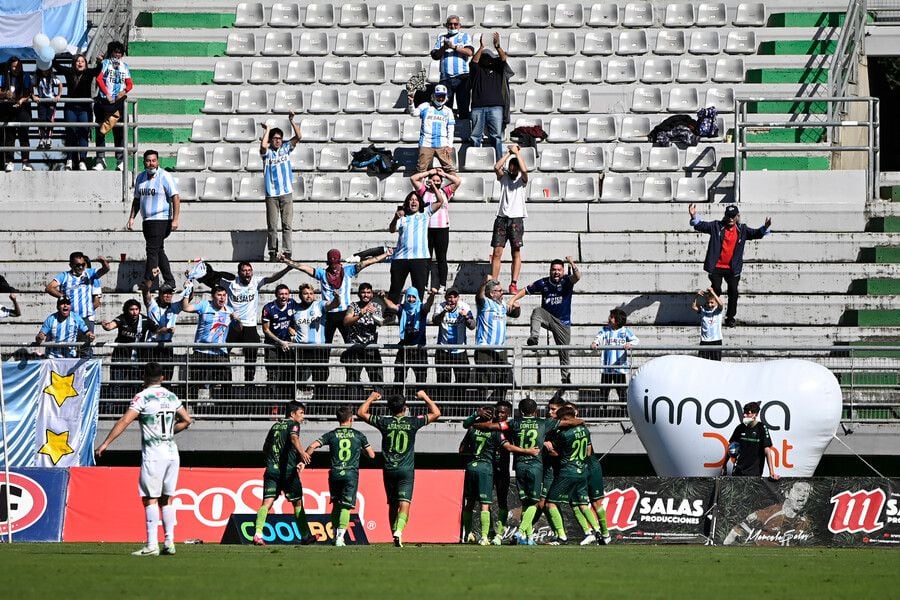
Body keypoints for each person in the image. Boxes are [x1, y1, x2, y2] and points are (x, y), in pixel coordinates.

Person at [95, 362, 193, 556]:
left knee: (150, 499)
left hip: (154, 454)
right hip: (172, 453)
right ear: (163, 378)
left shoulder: (142, 397)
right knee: (167, 499)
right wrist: (168, 432)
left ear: (144, 378)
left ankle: (151, 545)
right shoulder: (171, 396)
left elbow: (125, 420)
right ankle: (169, 543)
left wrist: (106, 443)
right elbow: (187, 420)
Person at [356, 390, 441, 547]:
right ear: (405, 407)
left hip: (389, 469)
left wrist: (371, 398)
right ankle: (399, 531)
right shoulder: (413, 422)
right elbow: (436, 413)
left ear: (389, 409)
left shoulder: (384, 422)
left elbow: (361, 412)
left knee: (393, 504)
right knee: (405, 503)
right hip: (406, 470)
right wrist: (424, 397)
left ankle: (393, 533)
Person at [200, 261, 291, 382]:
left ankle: (249, 383)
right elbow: (211, 281)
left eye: (249, 270)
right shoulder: (231, 283)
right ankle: (225, 383)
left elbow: (272, 278)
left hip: (250, 325)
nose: (247, 273)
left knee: (251, 355)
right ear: (239, 272)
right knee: (222, 352)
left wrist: (287, 268)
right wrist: (197, 276)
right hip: (232, 324)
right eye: (244, 270)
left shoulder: (255, 281)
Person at [459, 405, 537, 545]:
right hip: (488, 467)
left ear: (508, 414)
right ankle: (486, 532)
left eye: (503, 412)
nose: (500, 414)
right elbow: (467, 428)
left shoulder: (508, 426)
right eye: (498, 412)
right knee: (480, 502)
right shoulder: (487, 424)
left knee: (501, 501)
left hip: (501, 468)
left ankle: (499, 534)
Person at [281, 248, 391, 344]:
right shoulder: (322, 273)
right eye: (332, 264)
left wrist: (386, 254)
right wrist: (286, 260)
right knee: (326, 343)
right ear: (328, 263)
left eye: (336, 264)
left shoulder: (348, 271)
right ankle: (324, 367)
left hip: (345, 312)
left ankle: (351, 367)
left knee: (349, 342)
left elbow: (368, 262)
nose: (334, 267)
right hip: (328, 313)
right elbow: (303, 267)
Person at [689, 203, 772, 328]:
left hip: (733, 268)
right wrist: (694, 215)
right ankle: (711, 313)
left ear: (737, 216)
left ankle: (730, 317)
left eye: (733, 216)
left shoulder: (742, 229)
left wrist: (765, 227)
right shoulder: (716, 226)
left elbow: (756, 233)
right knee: (716, 289)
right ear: (725, 215)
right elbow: (701, 225)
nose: (731, 218)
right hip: (716, 267)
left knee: (733, 291)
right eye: (728, 215)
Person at [305, 405, 376, 547]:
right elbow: (372, 455)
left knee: (336, 504)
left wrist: (304, 458)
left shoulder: (331, 434)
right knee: (346, 506)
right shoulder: (358, 435)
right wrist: (359, 450)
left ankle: (334, 535)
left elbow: (313, 445)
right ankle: (339, 538)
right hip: (350, 473)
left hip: (335, 473)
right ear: (351, 419)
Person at [508, 257, 581, 385]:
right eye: (554, 269)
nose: (556, 272)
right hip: (548, 317)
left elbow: (577, 277)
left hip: (563, 322)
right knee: (537, 311)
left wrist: (572, 263)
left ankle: (565, 379)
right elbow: (525, 290)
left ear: (563, 271)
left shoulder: (567, 281)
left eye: (559, 270)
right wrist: (512, 300)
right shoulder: (544, 283)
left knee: (564, 352)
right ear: (550, 271)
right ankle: (534, 338)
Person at [251, 401, 315, 546]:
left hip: (271, 469)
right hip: (287, 471)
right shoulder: (293, 425)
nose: (303, 417)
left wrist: (271, 461)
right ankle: (305, 535)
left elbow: (265, 447)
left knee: (267, 503)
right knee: (297, 502)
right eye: (301, 413)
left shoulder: (275, 425)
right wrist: (302, 453)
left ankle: (258, 534)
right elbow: (294, 438)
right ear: (292, 414)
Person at [544, 406, 608, 545]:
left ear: (565, 419)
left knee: (550, 503)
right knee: (581, 503)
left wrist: (547, 446)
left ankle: (561, 537)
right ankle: (597, 531)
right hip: (582, 471)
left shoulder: (563, 434)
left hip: (567, 472)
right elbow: (588, 452)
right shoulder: (585, 430)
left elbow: (555, 453)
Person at [128, 149, 181, 291]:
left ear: (157, 161)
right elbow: (137, 199)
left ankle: (148, 281)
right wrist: (132, 217)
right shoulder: (140, 178)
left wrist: (175, 219)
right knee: (158, 251)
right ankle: (170, 280)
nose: (151, 163)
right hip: (147, 220)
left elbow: (175, 197)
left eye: (153, 160)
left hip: (161, 219)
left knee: (151, 250)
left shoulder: (164, 176)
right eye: (148, 161)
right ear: (144, 162)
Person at [180, 284, 241, 393]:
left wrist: (237, 320)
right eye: (219, 295)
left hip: (220, 353)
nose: (222, 298)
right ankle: (193, 408)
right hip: (201, 351)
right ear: (213, 296)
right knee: (195, 384)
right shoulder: (204, 305)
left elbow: (238, 329)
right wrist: (187, 291)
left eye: (224, 295)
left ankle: (224, 409)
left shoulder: (229, 310)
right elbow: (185, 308)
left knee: (227, 384)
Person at [410, 167, 461, 293]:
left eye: (438, 180)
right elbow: (413, 178)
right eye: (433, 180)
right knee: (426, 258)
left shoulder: (445, 191)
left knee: (441, 258)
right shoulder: (423, 192)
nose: (435, 182)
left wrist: (443, 174)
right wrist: (428, 173)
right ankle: (425, 284)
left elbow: (457, 181)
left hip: (442, 228)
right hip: (427, 229)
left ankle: (442, 285)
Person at [388, 191, 445, 305]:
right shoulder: (402, 217)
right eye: (411, 199)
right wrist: (395, 217)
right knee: (395, 288)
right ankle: (390, 314)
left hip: (420, 258)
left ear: (420, 203)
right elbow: (392, 229)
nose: (413, 202)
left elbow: (440, 201)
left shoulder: (425, 214)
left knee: (419, 289)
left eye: (416, 199)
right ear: (407, 203)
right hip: (401, 258)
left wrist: (433, 186)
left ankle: (417, 315)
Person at [260, 114, 302, 262]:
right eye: (275, 138)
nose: (278, 140)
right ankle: (272, 252)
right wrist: (267, 130)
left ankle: (287, 252)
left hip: (286, 193)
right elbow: (263, 146)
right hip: (271, 193)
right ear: (271, 139)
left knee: (287, 225)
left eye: (279, 138)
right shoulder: (267, 153)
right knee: (272, 225)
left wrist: (292, 121)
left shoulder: (285, 148)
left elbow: (299, 136)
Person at [101, 299, 159, 399]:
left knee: (136, 386)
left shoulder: (145, 320)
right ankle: (112, 411)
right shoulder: (122, 318)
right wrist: (106, 326)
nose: (134, 312)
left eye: (137, 309)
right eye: (131, 309)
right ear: (126, 310)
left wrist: (167, 329)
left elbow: (157, 329)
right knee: (116, 385)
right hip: (120, 358)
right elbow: (111, 326)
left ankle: (134, 411)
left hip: (137, 360)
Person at [723, 481, 812, 546]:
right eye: (798, 490)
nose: (803, 494)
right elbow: (736, 531)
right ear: (786, 493)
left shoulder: (804, 522)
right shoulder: (768, 513)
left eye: (807, 491)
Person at [46, 251, 109, 342]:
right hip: (69, 318)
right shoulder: (64, 276)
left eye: (83, 264)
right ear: (71, 265)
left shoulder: (89, 273)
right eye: (77, 265)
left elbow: (105, 270)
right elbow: (49, 288)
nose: (81, 267)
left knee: (85, 348)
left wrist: (103, 261)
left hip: (86, 317)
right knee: (68, 345)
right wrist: (63, 297)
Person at [490, 145, 529, 293]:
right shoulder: (504, 177)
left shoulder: (522, 180)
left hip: (516, 218)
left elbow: (525, 171)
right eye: (511, 167)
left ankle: (513, 283)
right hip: (502, 218)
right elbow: (496, 166)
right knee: (497, 253)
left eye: (515, 167)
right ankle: (493, 283)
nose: (512, 170)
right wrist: (508, 153)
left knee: (516, 252)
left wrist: (517, 153)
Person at [290, 283, 340, 397]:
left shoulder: (319, 305)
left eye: (311, 293)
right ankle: (297, 406)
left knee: (320, 380)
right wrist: (290, 328)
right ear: (300, 295)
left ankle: (320, 409)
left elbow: (333, 304)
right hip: (301, 349)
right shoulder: (295, 308)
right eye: (305, 294)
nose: (309, 296)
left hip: (318, 349)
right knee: (296, 379)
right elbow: (288, 323)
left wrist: (337, 297)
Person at [53, 53, 101, 170]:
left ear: (85, 63)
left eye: (82, 61)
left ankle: (82, 160)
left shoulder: (89, 73)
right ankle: (69, 160)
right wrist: (53, 55)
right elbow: (57, 66)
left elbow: (97, 70)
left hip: (84, 109)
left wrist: (100, 61)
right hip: (71, 109)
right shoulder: (69, 72)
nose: (80, 63)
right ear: (74, 63)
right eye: (77, 61)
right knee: (70, 133)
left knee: (84, 133)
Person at [381, 287, 436, 388]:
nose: (411, 299)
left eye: (413, 297)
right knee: (398, 378)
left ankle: (420, 401)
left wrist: (432, 295)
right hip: (404, 348)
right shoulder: (402, 308)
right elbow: (391, 306)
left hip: (419, 349)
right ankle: (398, 401)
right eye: (409, 297)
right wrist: (383, 298)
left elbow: (428, 305)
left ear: (417, 298)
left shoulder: (421, 309)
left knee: (421, 379)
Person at [468, 32, 510, 158]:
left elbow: (503, 59)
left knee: (496, 136)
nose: (487, 58)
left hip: (496, 107)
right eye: (484, 56)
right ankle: (475, 160)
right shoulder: (477, 70)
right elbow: (474, 62)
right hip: (477, 107)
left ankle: (498, 161)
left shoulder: (498, 69)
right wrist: (481, 47)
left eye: (489, 56)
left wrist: (497, 47)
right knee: (475, 136)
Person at [341, 283, 385, 399]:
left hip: (371, 348)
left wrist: (373, 314)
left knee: (377, 378)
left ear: (371, 294)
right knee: (352, 379)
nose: (366, 295)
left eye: (368, 292)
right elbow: (346, 321)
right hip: (355, 347)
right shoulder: (353, 306)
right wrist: (361, 314)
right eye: (363, 292)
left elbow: (380, 322)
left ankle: (378, 410)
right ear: (359, 294)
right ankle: (351, 409)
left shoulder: (376, 306)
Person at [474, 278, 516, 402]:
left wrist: (517, 308)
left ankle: (499, 406)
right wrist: (485, 283)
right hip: (485, 347)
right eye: (499, 290)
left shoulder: (502, 304)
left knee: (503, 377)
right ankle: (482, 407)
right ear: (492, 293)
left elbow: (515, 314)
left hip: (501, 348)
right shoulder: (485, 303)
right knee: (483, 380)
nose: (502, 292)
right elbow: (479, 296)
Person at [93, 41, 132, 171]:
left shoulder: (124, 66)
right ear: (111, 52)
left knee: (119, 131)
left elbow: (130, 84)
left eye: (120, 52)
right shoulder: (105, 63)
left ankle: (120, 160)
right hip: (104, 101)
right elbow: (99, 79)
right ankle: (100, 159)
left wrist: (124, 91)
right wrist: (107, 94)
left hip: (118, 103)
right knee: (100, 130)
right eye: (115, 52)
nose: (118, 55)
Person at [591, 308, 639, 412]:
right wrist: (595, 343)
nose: (609, 318)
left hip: (619, 367)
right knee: (604, 390)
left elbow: (636, 340)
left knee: (621, 390)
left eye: (612, 317)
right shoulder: (605, 329)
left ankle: (625, 411)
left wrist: (629, 344)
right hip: (607, 367)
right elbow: (598, 337)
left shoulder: (625, 331)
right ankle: (602, 411)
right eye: (610, 316)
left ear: (618, 320)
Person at [431, 288, 475, 402]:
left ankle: (458, 411)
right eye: (450, 297)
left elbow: (472, 326)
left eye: (455, 297)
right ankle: (444, 413)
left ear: (458, 298)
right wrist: (444, 312)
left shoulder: (464, 307)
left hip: (459, 351)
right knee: (443, 384)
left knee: (462, 383)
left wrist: (466, 317)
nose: (452, 300)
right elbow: (435, 321)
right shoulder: (440, 306)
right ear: (446, 298)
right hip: (443, 350)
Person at [430, 14, 474, 119]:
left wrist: (453, 47)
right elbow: (435, 55)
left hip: (462, 77)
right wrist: (444, 48)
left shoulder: (464, 36)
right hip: (446, 77)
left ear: (459, 26)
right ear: (446, 25)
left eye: (455, 24)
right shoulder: (442, 38)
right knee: (445, 108)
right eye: (450, 24)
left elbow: (469, 52)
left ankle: (463, 132)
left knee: (463, 106)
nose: (453, 26)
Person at [724, 401, 780, 479]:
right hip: (737, 472)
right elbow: (731, 447)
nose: (744, 415)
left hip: (754, 473)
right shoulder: (740, 428)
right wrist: (724, 465)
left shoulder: (762, 428)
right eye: (744, 413)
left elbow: (767, 450)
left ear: (755, 414)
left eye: (747, 413)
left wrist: (772, 472)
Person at [407, 84, 456, 173]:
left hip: (442, 144)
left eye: (442, 96)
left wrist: (450, 145)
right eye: (438, 96)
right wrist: (411, 103)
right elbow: (413, 113)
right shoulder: (425, 106)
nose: (440, 99)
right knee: (421, 170)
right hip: (426, 143)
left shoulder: (448, 111)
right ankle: (420, 187)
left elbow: (451, 130)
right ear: (434, 96)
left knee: (451, 169)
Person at [261, 284, 299, 395]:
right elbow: (266, 330)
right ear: (276, 295)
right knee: (273, 374)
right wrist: (280, 341)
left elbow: (299, 318)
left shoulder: (292, 303)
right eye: (281, 294)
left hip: (288, 345)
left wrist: (293, 329)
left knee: (288, 373)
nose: (284, 296)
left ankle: (287, 400)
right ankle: (273, 403)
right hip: (273, 345)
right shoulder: (268, 308)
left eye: (286, 294)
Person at [142, 283, 182, 379]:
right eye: (165, 293)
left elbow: (188, 299)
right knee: (151, 374)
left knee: (167, 374)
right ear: (160, 294)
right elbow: (145, 292)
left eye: (170, 294)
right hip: (152, 344)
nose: (168, 296)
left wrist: (190, 286)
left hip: (166, 345)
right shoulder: (152, 305)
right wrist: (150, 279)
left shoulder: (174, 307)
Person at [0, 56, 33, 171]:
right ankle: (10, 161)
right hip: (8, 110)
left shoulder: (26, 75)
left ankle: (25, 162)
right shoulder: (4, 76)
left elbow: (30, 92)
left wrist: (22, 100)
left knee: (24, 136)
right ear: (10, 66)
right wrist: (5, 94)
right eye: (14, 66)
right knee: (10, 136)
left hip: (24, 110)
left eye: (18, 66)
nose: (16, 69)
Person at [31, 64, 62, 150]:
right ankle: (41, 139)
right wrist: (33, 96)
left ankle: (49, 139)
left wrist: (58, 95)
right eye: (43, 69)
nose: (45, 71)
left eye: (47, 69)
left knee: (50, 119)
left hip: (51, 102)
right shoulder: (37, 77)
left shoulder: (52, 76)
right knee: (41, 120)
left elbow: (60, 84)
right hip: (41, 101)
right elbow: (30, 86)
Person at [692, 287, 724, 360]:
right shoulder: (703, 310)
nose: (709, 305)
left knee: (716, 363)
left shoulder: (718, 311)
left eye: (712, 302)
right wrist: (696, 296)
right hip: (705, 341)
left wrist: (712, 292)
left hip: (716, 340)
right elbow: (694, 307)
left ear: (716, 302)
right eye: (708, 302)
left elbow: (721, 304)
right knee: (702, 362)